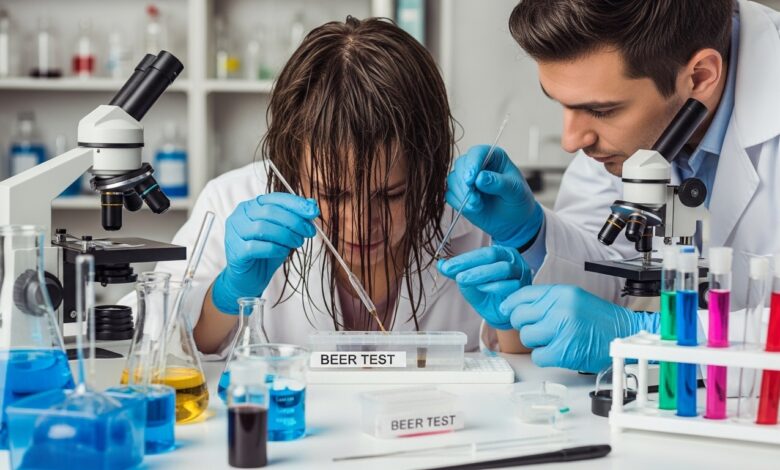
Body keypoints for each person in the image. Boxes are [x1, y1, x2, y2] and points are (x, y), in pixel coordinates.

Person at [128, 17, 519, 356]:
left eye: (391, 194)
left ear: (429, 168)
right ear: (290, 164)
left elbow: (528, 368)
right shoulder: (231, 199)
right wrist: (227, 293)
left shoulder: (479, 219)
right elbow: (149, 340)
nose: (360, 224)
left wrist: (512, 317)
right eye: (332, 194)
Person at [439, 0, 780, 373]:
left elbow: (622, 325)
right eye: (563, 105)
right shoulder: (625, 135)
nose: (572, 140)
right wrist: (531, 236)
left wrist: (651, 336)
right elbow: (605, 276)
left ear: (699, 77)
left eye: (600, 111)